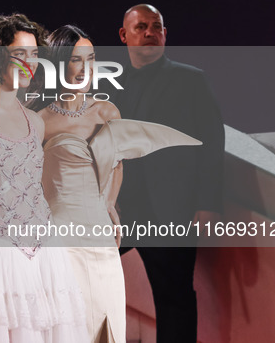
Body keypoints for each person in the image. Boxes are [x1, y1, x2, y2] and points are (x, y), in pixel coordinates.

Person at [31, 25, 203, 343]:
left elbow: (117, 161)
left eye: (91, 59)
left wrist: (109, 203)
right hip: (60, 237)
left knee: (105, 320)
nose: (86, 69)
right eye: (76, 60)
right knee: (69, 326)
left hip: (101, 235)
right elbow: (30, 182)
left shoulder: (107, 110)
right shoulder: (39, 120)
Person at [0, 14, 89, 342]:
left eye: (34, 55)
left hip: (46, 255)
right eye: (19, 54)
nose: (29, 63)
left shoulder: (35, 122)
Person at [111, 4, 225, 342]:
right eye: (141, 27)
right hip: (118, 209)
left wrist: (208, 203)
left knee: (174, 297)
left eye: (156, 26)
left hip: (169, 211)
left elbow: (211, 144)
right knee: (78, 274)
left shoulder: (191, 79)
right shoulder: (111, 83)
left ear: (165, 34)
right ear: (124, 35)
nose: (149, 33)